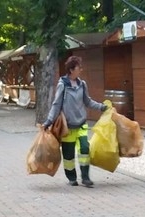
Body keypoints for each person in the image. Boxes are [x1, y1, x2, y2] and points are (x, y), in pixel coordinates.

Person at [43, 56, 107, 187]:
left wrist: (101, 107)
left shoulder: (82, 84)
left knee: (84, 149)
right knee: (69, 155)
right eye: (79, 68)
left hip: (81, 124)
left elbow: (87, 101)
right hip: (67, 127)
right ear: (71, 70)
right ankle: (72, 178)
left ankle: (85, 177)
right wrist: (49, 121)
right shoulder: (63, 85)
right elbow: (56, 104)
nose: (81, 70)